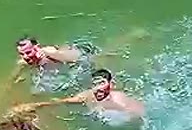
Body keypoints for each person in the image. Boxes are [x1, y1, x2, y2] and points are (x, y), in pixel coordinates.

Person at [12, 69, 146, 121]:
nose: (97, 88)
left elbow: (143, 116)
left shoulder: (120, 101)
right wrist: (33, 105)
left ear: (111, 84)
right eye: (95, 84)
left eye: (102, 83)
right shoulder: (88, 96)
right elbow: (63, 101)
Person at [14, 36, 84, 71]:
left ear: (37, 47)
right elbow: (13, 78)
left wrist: (48, 54)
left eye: (28, 52)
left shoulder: (50, 52)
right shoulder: (23, 62)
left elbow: (77, 58)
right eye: (22, 54)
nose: (25, 57)